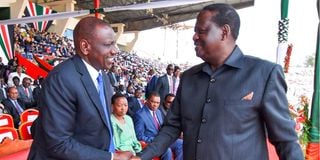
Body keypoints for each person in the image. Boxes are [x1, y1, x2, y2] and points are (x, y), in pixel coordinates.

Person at [131, 3, 303, 160]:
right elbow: (171, 128)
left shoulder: (264, 74)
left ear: (224, 32)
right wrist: (141, 156)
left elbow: (285, 140)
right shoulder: (189, 77)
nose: (194, 37)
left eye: (201, 31)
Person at [28, 17, 133, 160]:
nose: (115, 51)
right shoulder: (61, 79)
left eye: (114, 44)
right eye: (108, 44)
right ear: (85, 47)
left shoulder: (103, 76)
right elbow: (58, 144)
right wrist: (111, 157)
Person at [133, 92, 183, 160]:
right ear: (147, 100)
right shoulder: (140, 115)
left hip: (162, 139)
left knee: (181, 143)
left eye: (157, 103)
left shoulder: (158, 112)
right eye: (153, 102)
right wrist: (155, 140)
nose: (155, 105)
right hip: (153, 141)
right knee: (166, 149)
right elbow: (139, 136)